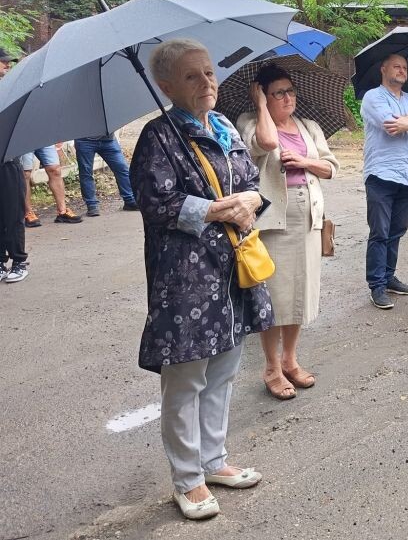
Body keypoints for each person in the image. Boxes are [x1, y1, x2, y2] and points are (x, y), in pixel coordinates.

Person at [130, 38, 272, 520]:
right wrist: (215, 209)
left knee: (225, 369)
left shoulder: (225, 125)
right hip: (186, 276)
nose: (207, 82)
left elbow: (248, 182)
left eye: (209, 72)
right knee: (187, 377)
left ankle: (213, 460)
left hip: (232, 266)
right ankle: (187, 478)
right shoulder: (159, 136)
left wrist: (251, 200)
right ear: (166, 86)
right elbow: (156, 204)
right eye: (192, 76)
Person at [237, 63, 339, 400]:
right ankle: (271, 368)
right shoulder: (249, 122)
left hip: (308, 218)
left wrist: (305, 162)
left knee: (299, 292)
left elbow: (330, 168)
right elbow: (266, 143)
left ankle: (290, 360)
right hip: (272, 223)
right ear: (263, 96)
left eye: (290, 91)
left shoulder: (309, 126)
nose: (287, 98)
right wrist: (260, 107)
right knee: (274, 296)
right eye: (277, 93)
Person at [361, 54, 408, 310]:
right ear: (383, 69)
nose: (402, 70)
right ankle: (376, 285)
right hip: (381, 175)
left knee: (396, 232)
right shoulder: (373, 97)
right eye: (396, 66)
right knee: (379, 233)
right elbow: (391, 126)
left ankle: (389, 277)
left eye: (404, 67)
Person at [0, 50, 28, 284]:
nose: (7, 67)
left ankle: (19, 261)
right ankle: (0, 261)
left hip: (9, 162)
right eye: (3, 63)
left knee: (13, 214)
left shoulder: (12, 91)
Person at [73, 134, 138, 216]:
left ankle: (130, 200)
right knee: (86, 173)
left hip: (108, 140)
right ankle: (91, 205)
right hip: (84, 140)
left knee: (122, 168)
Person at [21, 145, 82, 226]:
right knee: (25, 173)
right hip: (23, 141)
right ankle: (28, 213)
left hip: (43, 139)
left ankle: (62, 212)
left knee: (55, 169)